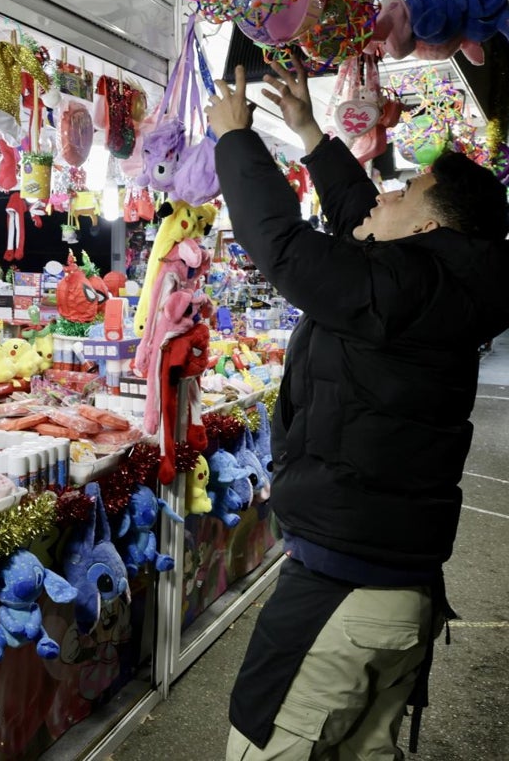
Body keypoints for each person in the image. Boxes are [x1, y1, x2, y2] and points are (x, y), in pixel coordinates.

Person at [205, 58, 509, 761]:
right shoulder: (438, 284)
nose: (388, 192)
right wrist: (312, 136)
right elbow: (359, 219)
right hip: (394, 585)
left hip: (345, 590)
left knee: (263, 748)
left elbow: (283, 247)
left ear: (432, 223)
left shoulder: (401, 291)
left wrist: (236, 140)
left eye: (407, 189)